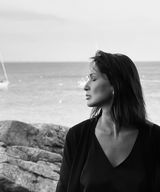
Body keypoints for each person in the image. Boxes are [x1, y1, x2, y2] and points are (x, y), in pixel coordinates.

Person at [56, 50, 160, 192]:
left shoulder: (154, 138)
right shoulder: (77, 136)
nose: (86, 86)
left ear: (115, 84)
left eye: (93, 79)